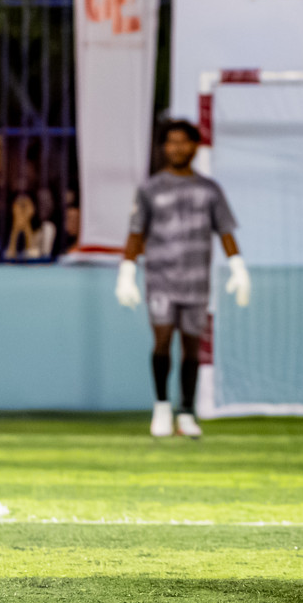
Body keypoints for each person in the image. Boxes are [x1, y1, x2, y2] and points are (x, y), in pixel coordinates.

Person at [116, 121, 250, 439]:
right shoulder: (150, 189)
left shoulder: (209, 190)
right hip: (161, 277)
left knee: (192, 346)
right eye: (171, 142)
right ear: (164, 148)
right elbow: (136, 233)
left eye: (183, 142)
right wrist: (127, 271)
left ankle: (187, 411)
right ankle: (162, 406)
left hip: (197, 280)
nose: (177, 148)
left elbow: (225, 231)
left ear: (194, 147)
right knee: (162, 340)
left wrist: (238, 267)